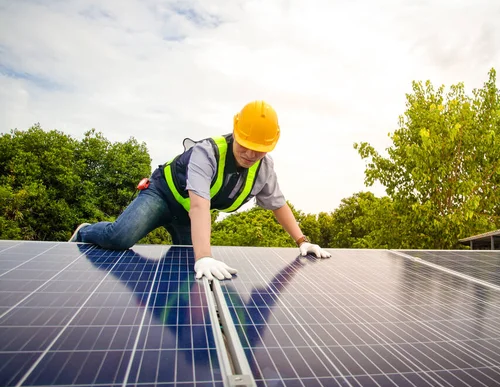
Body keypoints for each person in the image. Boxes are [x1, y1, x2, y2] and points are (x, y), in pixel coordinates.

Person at [70, 100, 331, 280]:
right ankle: (85, 231)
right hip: (161, 196)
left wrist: (303, 241)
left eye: (259, 148)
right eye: (245, 145)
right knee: (120, 238)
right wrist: (205, 256)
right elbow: (199, 206)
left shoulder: (263, 168)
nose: (251, 154)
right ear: (235, 133)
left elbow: (278, 204)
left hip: (187, 216)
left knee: (187, 270)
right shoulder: (207, 152)